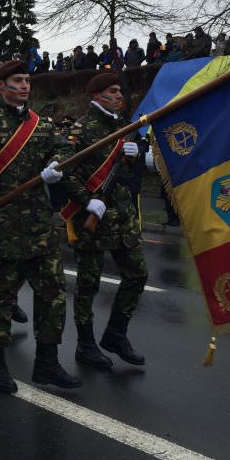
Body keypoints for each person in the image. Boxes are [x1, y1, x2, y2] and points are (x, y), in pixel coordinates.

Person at [0, 60, 82, 394]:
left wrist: (57, 164)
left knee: (53, 294)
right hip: (0, 230)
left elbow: (62, 147)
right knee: (0, 301)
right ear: (1, 86)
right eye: (17, 81)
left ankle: (47, 361)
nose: (25, 86)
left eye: (27, 80)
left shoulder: (41, 125)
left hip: (39, 226)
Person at [61, 73, 149, 368]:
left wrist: (136, 156)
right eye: (112, 91)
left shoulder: (124, 127)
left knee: (138, 275)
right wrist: (88, 201)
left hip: (122, 217)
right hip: (94, 218)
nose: (118, 95)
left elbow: (125, 176)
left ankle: (116, 334)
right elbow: (65, 173)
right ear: (96, 95)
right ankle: (85, 345)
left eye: (119, 91)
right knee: (88, 285)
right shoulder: (81, 129)